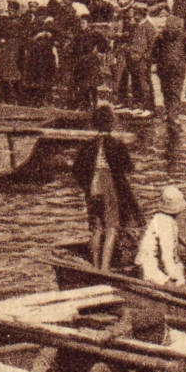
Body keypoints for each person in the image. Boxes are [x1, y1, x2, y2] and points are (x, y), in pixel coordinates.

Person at [71, 103, 145, 271]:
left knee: (97, 228)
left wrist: (87, 185)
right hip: (109, 186)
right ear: (111, 123)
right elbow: (128, 168)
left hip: (92, 187)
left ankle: (95, 265)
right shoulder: (116, 144)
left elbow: (76, 170)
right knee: (112, 227)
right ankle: (104, 269)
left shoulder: (88, 145)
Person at [135, 186, 186, 287]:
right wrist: (176, 279)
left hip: (153, 261)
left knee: (179, 273)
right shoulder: (165, 224)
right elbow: (166, 257)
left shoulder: (161, 218)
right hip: (149, 265)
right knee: (179, 286)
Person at [122, 5, 159, 111]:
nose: (134, 16)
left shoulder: (149, 26)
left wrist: (146, 57)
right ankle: (138, 104)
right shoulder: (137, 26)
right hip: (134, 59)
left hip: (143, 60)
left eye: (136, 14)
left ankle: (148, 108)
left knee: (144, 84)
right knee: (135, 82)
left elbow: (153, 45)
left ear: (141, 15)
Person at [153, 13, 186, 114]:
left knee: (165, 89)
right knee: (176, 89)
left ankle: (168, 109)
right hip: (178, 66)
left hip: (163, 66)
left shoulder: (160, 37)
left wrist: (158, 61)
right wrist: (182, 60)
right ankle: (173, 112)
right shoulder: (184, 36)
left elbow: (155, 52)